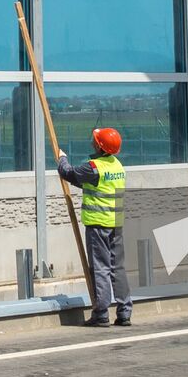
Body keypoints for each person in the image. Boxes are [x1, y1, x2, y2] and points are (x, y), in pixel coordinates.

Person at [57, 127, 132, 327]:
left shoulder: (94, 167)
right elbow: (94, 185)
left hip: (98, 225)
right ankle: (124, 312)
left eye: (95, 140)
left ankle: (101, 313)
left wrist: (61, 158)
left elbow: (68, 173)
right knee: (118, 268)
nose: (92, 141)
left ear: (99, 146)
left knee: (100, 269)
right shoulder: (117, 166)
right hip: (115, 224)